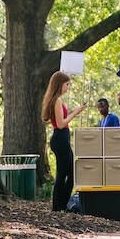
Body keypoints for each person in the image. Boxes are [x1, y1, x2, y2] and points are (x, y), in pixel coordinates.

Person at [41, 71, 86, 212]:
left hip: (62, 138)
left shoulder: (57, 100)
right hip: (60, 138)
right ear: (60, 84)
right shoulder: (57, 101)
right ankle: (58, 205)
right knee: (63, 174)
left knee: (71, 172)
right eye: (67, 84)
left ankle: (62, 203)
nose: (68, 87)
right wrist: (75, 112)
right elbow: (61, 124)